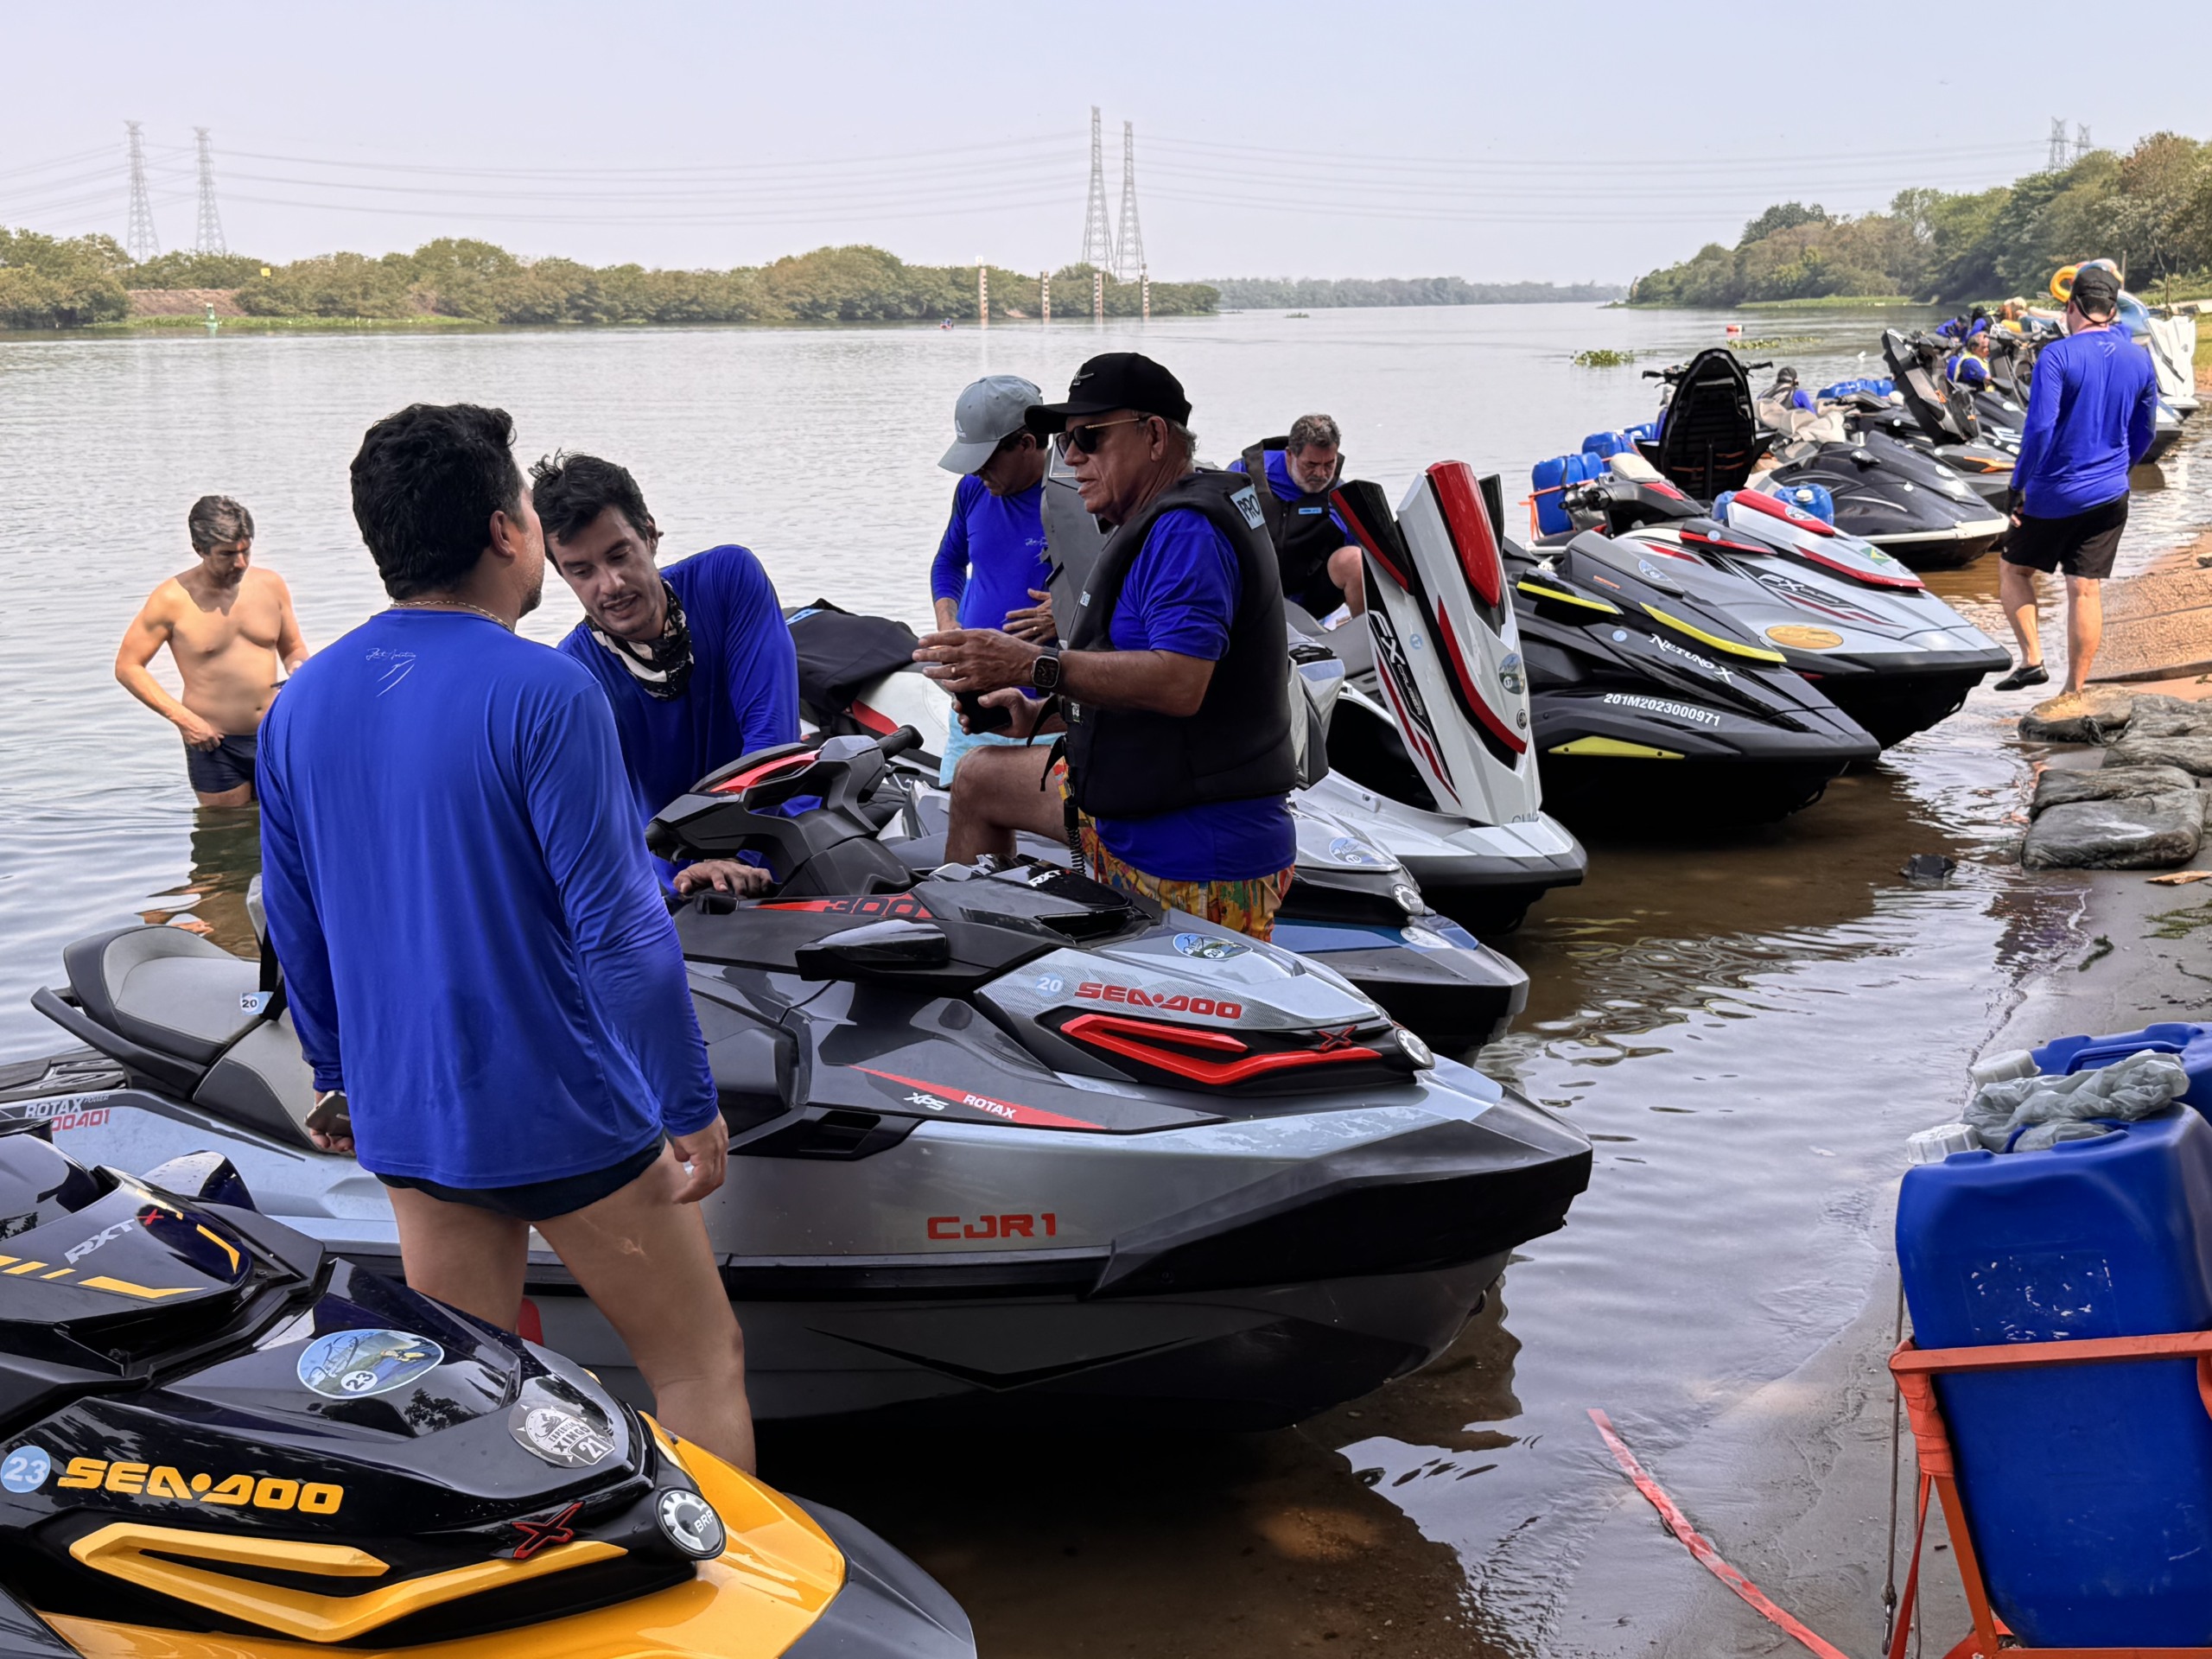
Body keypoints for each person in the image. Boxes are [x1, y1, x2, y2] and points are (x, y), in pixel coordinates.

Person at [257, 403, 753, 1471]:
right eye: (530, 510)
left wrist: (339, 1076)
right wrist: (687, 1102)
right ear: (504, 531)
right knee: (694, 1363)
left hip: (414, 1112)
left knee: (462, 1393)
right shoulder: (548, 688)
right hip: (569, 1110)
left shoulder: (301, 704)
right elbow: (622, 931)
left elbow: (295, 925)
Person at [914, 353, 1299, 941]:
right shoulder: (1155, 520)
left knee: (1174, 1027)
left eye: (1089, 438)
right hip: (1131, 804)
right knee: (978, 778)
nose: (1070, 459)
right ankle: (980, 956)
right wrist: (1040, 715)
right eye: (1065, 441)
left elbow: (1179, 681)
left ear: (1154, 436)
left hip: (1191, 852)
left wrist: (1031, 665)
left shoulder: (1185, 533)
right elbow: (1133, 669)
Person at [531, 451, 798, 895]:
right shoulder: (573, 674)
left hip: (780, 825)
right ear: (562, 574)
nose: (611, 584)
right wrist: (686, 876)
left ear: (650, 535)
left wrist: (736, 855)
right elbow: (607, 822)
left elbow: (772, 737)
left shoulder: (729, 578)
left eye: (620, 554)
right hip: (673, 873)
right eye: (582, 571)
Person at [1994, 264, 2158, 695]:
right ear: (2111, 308)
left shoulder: (2056, 355)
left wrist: (2017, 486)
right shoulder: (2139, 358)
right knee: (2084, 588)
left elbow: (2040, 429)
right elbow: (2146, 433)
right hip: (2110, 494)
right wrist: (2120, 469)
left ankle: (2032, 660)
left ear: (2071, 307)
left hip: (2055, 493)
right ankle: (2074, 690)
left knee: (2014, 570)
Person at [115, 495, 308, 806]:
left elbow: (293, 647)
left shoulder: (271, 585)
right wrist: (185, 720)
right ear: (200, 550)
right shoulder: (171, 599)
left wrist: (300, 671)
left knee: (285, 829)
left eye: (246, 550)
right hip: (214, 743)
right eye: (228, 554)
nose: (240, 563)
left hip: (274, 734)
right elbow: (128, 666)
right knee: (226, 838)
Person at [928, 375, 1058, 782]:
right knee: (960, 819)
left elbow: (1122, 587)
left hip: (1049, 713)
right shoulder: (973, 490)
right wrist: (949, 627)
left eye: (986, 460)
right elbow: (948, 563)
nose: (978, 472)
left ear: (1026, 443)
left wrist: (1071, 609)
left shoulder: (1079, 493)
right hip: (976, 709)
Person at [1230, 413, 1364, 619]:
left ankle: (1372, 640)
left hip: (1310, 604)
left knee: (1355, 559)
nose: (1320, 474)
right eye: (1310, 465)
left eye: (1329, 464)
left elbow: (1373, 560)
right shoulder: (1244, 476)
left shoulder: (1339, 497)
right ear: (1290, 455)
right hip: (1252, 597)